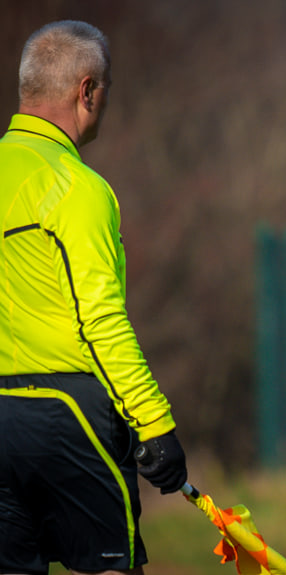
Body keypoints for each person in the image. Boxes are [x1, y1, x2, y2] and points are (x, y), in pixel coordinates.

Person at [0, 20, 187, 575]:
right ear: (87, 91)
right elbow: (99, 322)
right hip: (67, 416)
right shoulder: (77, 189)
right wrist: (155, 425)